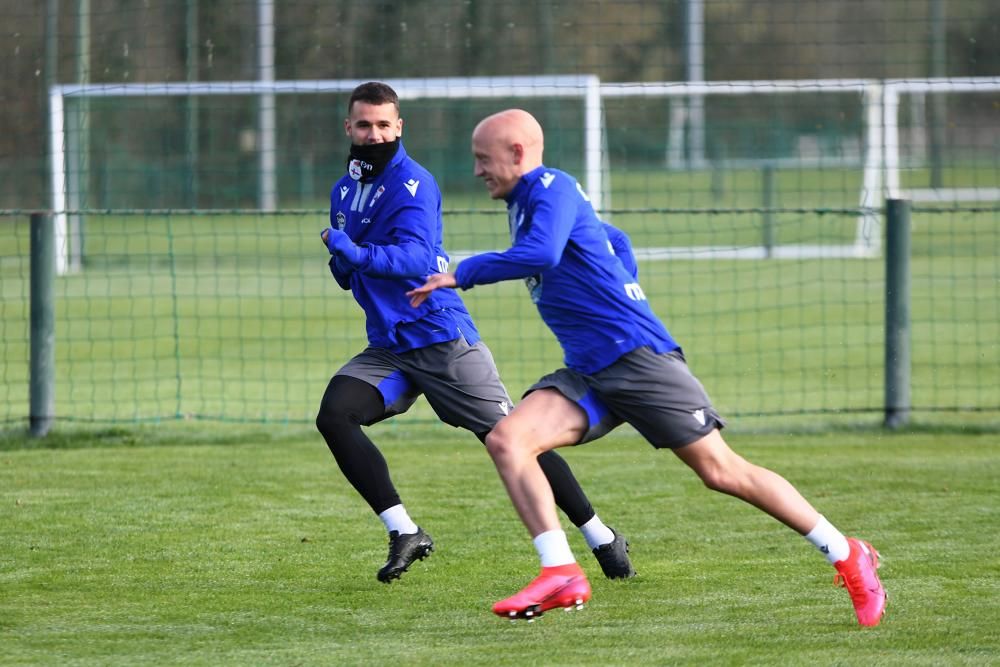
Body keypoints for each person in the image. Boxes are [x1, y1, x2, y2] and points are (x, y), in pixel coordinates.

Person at [407, 108, 887, 626]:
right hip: (591, 371)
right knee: (508, 439)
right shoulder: (529, 200)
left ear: (518, 153)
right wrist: (621, 284)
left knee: (722, 472)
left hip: (638, 361)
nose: (478, 170)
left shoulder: (552, 186)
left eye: (484, 159)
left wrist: (464, 273)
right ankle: (560, 571)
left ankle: (846, 552)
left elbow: (542, 254)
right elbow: (614, 240)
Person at [316, 83, 635, 585]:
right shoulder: (343, 189)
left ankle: (599, 534)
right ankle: (404, 531)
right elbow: (353, 263)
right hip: (390, 345)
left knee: (512, 440)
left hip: (440, 337)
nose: (373, 134)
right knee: (335, 415)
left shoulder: (413, 184)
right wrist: (345, 265)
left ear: (399, 127)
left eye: (383, 125)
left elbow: (418, 259)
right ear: (348, 128)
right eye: (363, 124)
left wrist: (357, 256)